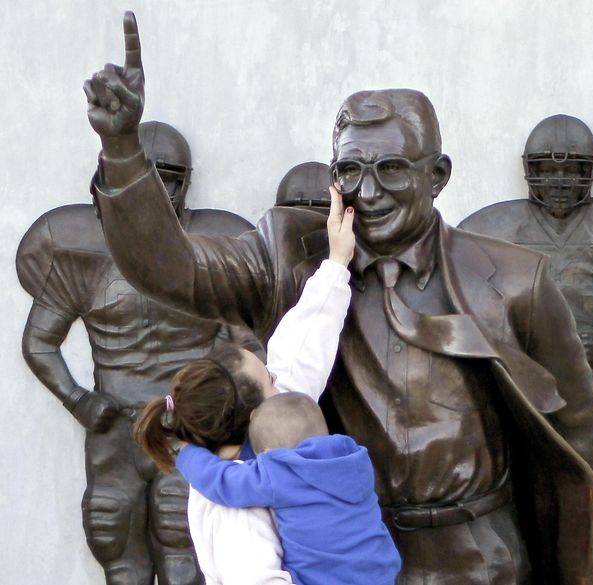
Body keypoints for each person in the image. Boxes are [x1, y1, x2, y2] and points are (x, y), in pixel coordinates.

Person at [85, 13, 593, 584]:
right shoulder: (290, 257)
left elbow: (579, 431)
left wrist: (592, 563)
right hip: (342, 555)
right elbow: (171, 270)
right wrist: (121, 149)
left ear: (437, 175)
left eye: (390, 169)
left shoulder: (516, 279)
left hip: (483, 555)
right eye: (350, 171)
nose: (367, 191)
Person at [16, 120, 260, 585]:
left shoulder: (214, 249)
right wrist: (78, 398)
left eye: (164, 175)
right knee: (112, 536)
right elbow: (38, 341)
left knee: (183, 545)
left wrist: (221, 406)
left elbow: (248, 343)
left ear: (185, 183)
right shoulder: (80, 253)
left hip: (187, 424)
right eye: (140, 173)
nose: (151, 188)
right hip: (115, 427)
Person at [135, 188, 356, 585]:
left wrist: (337, 262)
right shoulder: (230, 510)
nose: (278, 378)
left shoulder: (267, 421)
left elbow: (303, 346)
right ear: (254, 413)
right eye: (269, 377)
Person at [459, 114, 593, 495]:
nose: (559, 182)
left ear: (589, 172)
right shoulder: (492, 228)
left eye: (571, 170)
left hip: (592, 380)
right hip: (522, 380)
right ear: (530, 171)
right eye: (548, 170)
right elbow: (462, 303)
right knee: (523, 496)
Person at [176, 393, 402, 585]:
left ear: (266, 454)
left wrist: (187, 453)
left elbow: (224, 481)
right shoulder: (354, 460)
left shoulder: (281, 473)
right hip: (380, 573)